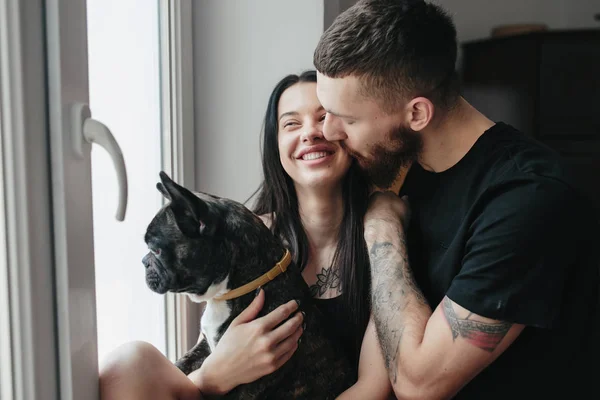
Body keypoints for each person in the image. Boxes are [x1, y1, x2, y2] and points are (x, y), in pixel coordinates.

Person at [312, 0, 600, 399]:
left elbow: (419, 384)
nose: (328, 130)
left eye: (347, 118)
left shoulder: (527, 199)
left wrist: (382, 226)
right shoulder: (404, 167)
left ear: (417, 114)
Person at [99, 70, 393, 400]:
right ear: (276, 144)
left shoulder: (383, 238)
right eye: (291, 124)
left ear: (348, 131)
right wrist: (213, 375)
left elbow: (373, 388)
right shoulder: (248, 236)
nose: (310, 132)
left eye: (323, 117)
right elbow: (212, 346)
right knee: (127, 364)